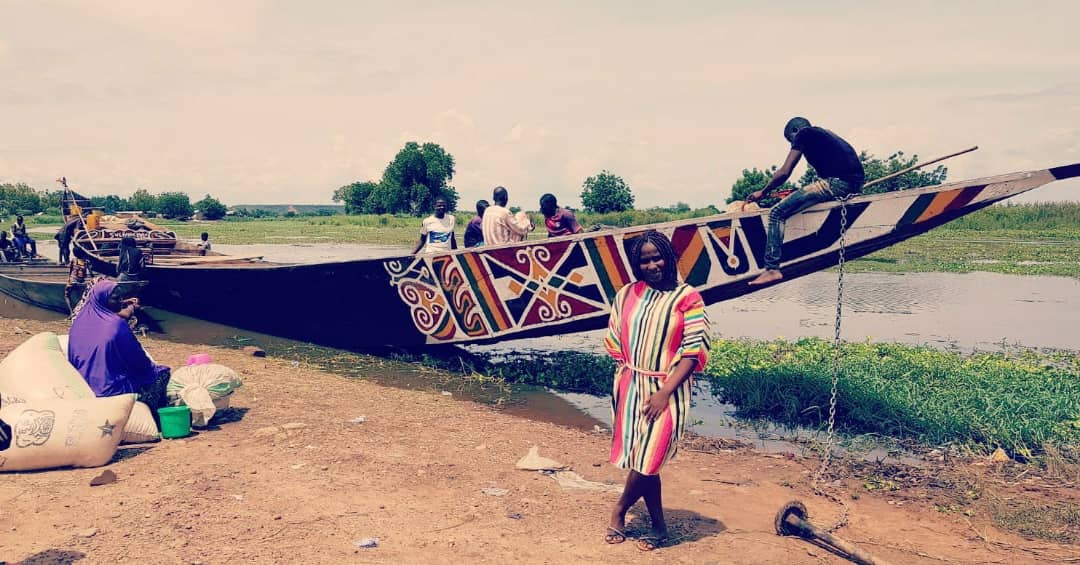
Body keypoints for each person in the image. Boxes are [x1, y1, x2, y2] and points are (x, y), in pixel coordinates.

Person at [603, 230, 710, 551]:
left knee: (651, 455)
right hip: (631, 385)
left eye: (657, 258)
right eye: (644, 261)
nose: (652, 266)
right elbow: (614, 336)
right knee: (644, 458)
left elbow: (694, 351)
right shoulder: (627, 294)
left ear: (670, 257)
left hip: (668, 390)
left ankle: (619, 510)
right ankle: (659, 526)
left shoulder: (688, 297)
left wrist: (664, 392)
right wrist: (627, 375)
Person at [747, 117, 865, 286]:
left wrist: (763, 192)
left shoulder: (804, 133)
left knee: (776, 213)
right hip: (854, 185)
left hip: (836, 183)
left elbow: (784, 172)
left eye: (790, 141)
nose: (792, 145)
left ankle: (772, 268)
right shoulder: (827, 134)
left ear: (795, 131)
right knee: (796, 200)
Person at [67, 279, 170, 410]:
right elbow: (138, 360)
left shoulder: (77, 324)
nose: (120, 301)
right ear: (104, 300)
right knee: (162, 374)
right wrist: (153, 371)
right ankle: (154, 412)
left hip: (85, 386)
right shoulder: (116, 324)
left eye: (121, 297)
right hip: (112, 390)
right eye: (115, 298)